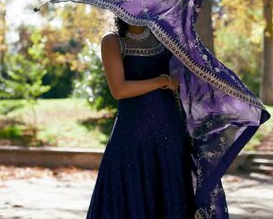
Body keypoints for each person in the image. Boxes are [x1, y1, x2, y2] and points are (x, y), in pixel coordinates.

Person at [85, 16, 198, 218]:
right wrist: (161, 81)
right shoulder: (112, 41)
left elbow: (186, 75)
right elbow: (119, 90)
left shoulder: (166, 36)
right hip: (131, 138)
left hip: (169, 134)